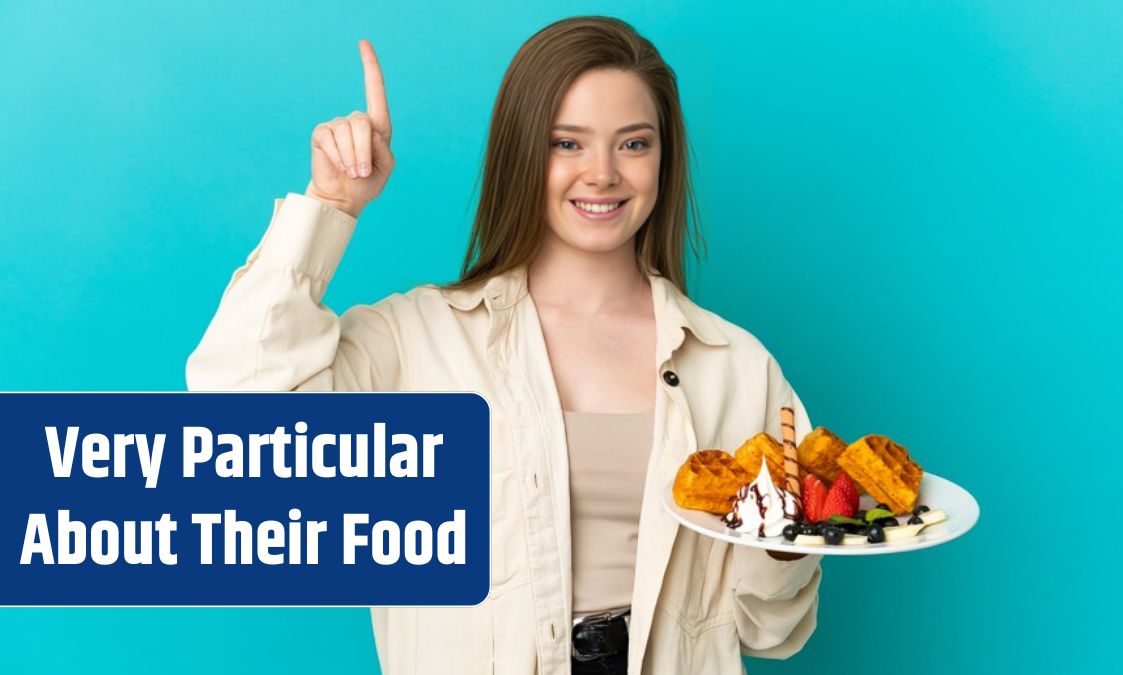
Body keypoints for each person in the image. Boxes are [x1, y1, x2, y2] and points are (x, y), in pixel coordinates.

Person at [187, 16, 822, 675]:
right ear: (523, 154)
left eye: (633, 143)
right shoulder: (417, 341)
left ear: (664, 158)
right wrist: (331, 202)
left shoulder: (735, 367)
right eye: (567, 144)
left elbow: (772, 630)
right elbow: (238, 419)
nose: (601, 173)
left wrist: (784, 540)